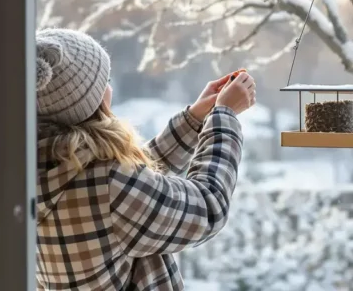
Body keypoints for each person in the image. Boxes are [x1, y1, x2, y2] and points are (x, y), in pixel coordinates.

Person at [34, 28, 255, 290]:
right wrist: (224, 117)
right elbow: (208, 209)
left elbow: (134, 185)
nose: (109, 87)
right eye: (103, 80)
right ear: (87, 102)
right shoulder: (109, 184)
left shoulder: (39, 168)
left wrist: (194, 120)